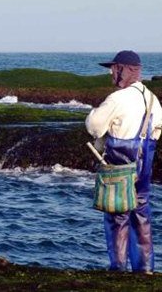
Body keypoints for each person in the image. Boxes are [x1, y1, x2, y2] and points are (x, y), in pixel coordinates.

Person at [86, 50, 162, 273]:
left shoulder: (118, 98)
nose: (111, 73)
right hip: (144, 161)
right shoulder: (151, 98)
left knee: (116, 213)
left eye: (114, 68)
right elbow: (157, 129)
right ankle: (144, 269)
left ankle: (118, 267)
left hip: (121, 160)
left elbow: (94, 127)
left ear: (126, 70)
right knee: (141, 214)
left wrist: (92, 114)